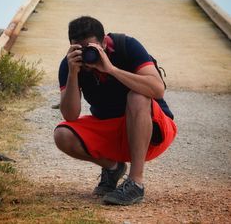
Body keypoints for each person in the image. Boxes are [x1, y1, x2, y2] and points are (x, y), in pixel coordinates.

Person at [53, 16, 177, 205]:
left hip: (153, 130)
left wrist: (111, 69)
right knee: (62, 134)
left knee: (137, 96)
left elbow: (157, 89)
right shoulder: (70, 64)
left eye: (91, 48)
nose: (87, 55)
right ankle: (113, 168)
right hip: (112, 133)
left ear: (104, 41)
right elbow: (70, 115)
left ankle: (136, 183)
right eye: (80, 49)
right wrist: (72, 74)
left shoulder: (127, 46)